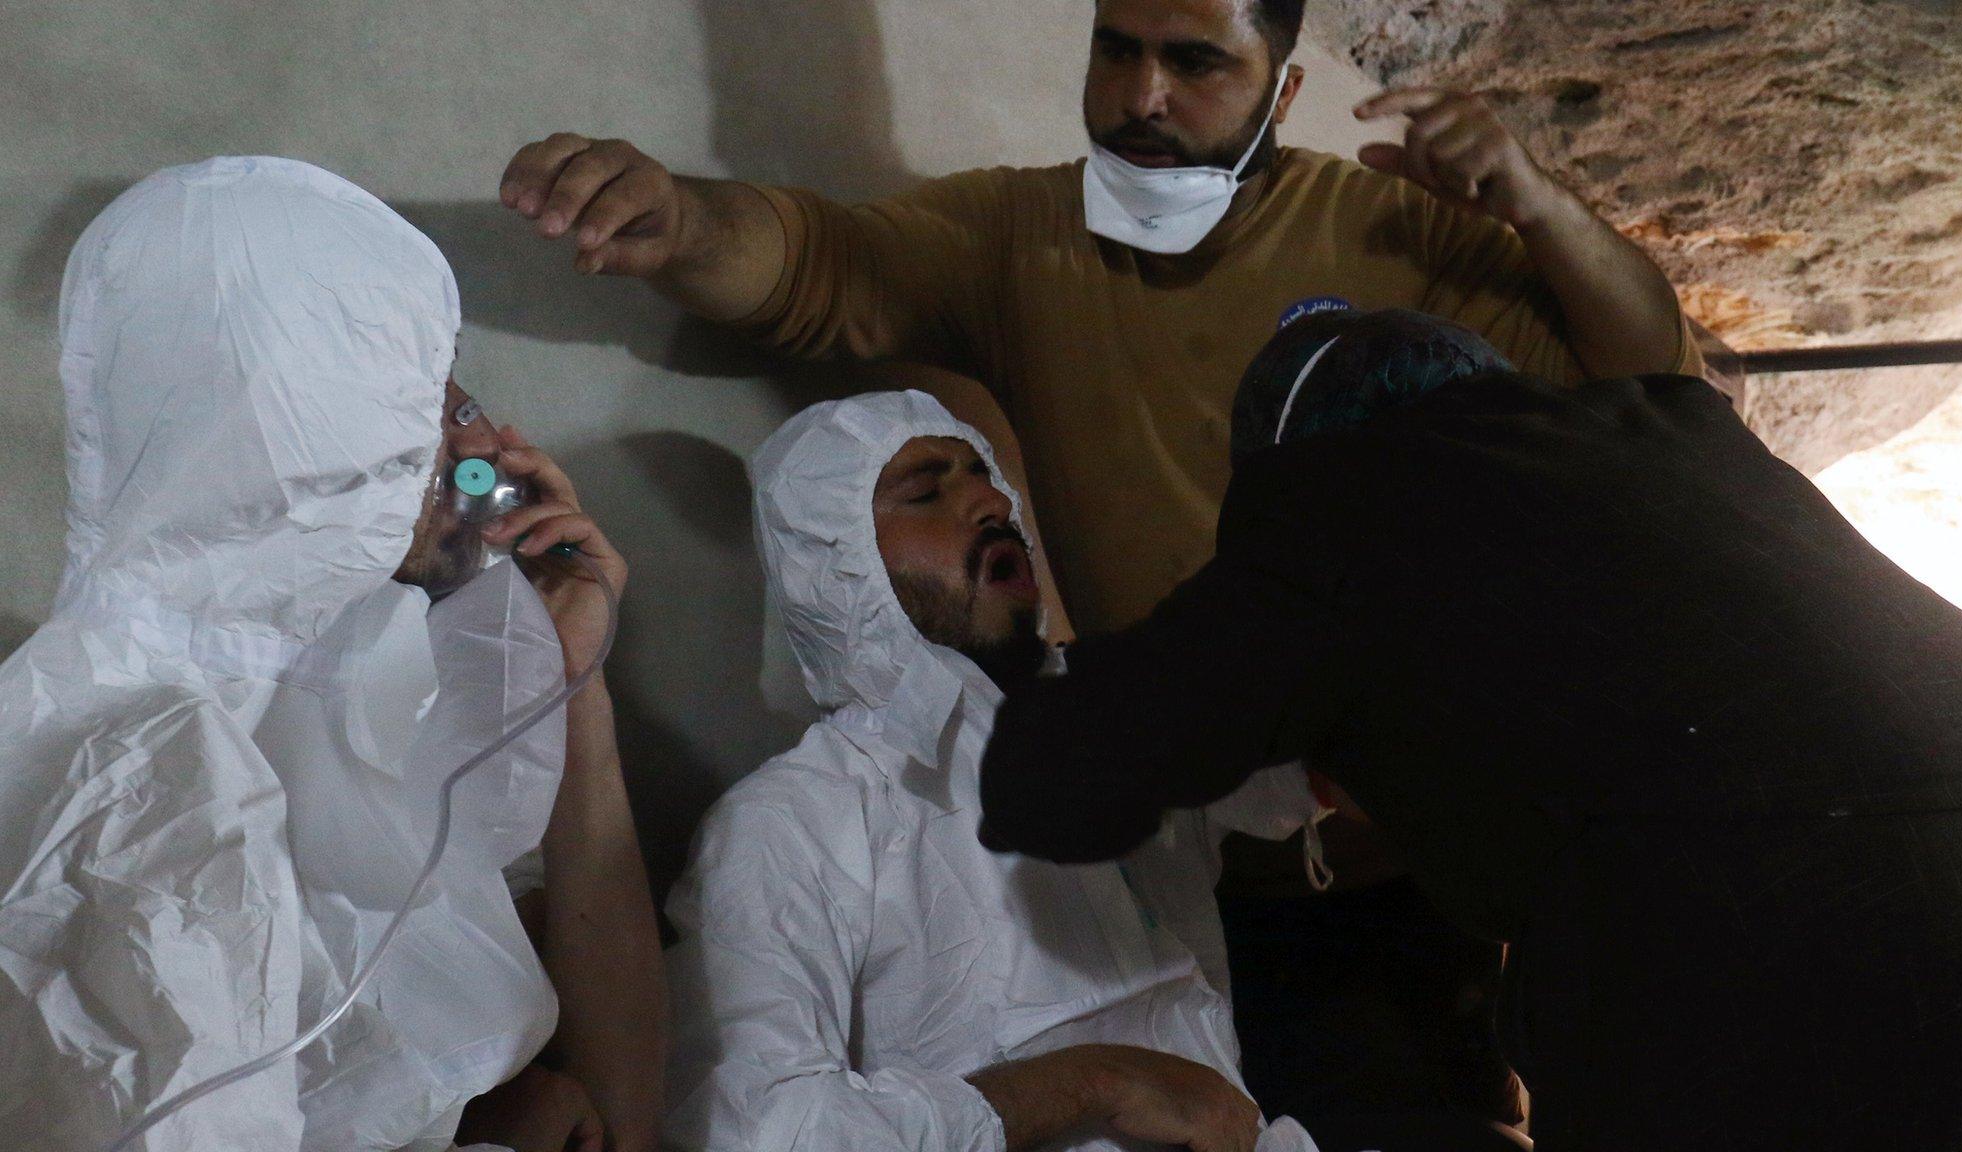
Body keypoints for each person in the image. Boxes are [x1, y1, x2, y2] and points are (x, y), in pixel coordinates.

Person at [502, 2, 1702, 1124]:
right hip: (1189, 855)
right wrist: (677, 220)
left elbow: (1647, 388)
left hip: (1394, 866)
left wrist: (1537, 206)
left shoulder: (1389, 227)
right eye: (1114, 48)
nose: (1140, 95)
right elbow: (823, 266)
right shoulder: (1019, 239)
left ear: (1281, 89)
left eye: (1194, 63)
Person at [976, 308, 1962, 1150]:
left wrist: (1033, 663)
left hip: (1792, 979)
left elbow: (1058, 780)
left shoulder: (1338, 496)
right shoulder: (1677, 436)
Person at [0, 157, 663, 1152]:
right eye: (425, 411)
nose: (480, 440)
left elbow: (623, 1113)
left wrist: (565, 670)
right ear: (305, 442)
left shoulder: (339, 711)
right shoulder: (145, 774)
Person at [665, 389, 1339, 1152]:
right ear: (836, 564)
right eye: (925, 491)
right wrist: (1094, 1080)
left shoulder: (1109, 727)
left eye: (986, 478)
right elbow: (753, 1130)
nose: (990, 501)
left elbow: (1325, 758)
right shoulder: (789, 826)